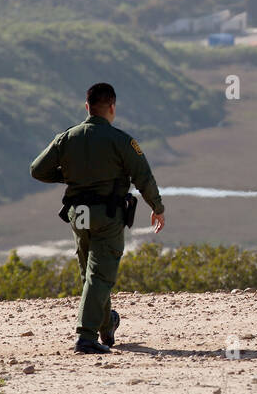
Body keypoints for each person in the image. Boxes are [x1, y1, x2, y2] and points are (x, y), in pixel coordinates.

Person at [30, 83, 165, 354]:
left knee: (90, 274)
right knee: (100, 275)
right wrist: (157, 207)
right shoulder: (122, 141)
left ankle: (107, 325)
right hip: (107, 215)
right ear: (112, 107)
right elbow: (144, 178)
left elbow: (37, 170)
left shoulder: (67, 138)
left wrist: (69, 175)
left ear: (87, 107)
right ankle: (86, 336)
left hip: (78, 215)